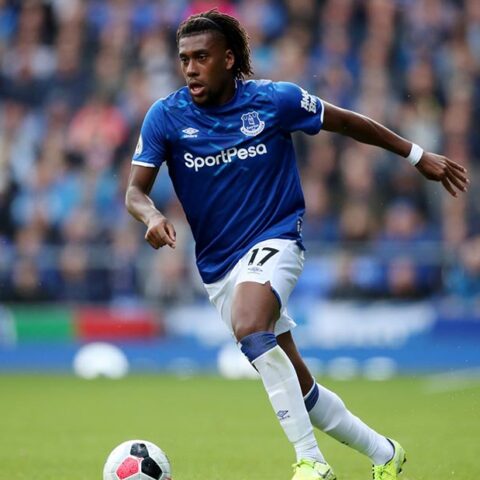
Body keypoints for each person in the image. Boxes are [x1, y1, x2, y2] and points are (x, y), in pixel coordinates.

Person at [125, 9, 469, 480]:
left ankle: (312, 462)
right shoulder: (165, 116)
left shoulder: (275, 100)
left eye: (201, 57)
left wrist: (415, 154)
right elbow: (135, 191)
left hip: (277, 238)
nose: (190, 68)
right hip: (219, 267)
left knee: (251, 327)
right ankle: (385, 453)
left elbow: (346, 122)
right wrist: (151, 216)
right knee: (298, 385)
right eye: (184, 59)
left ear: (229, 59)